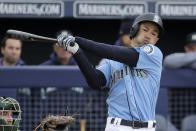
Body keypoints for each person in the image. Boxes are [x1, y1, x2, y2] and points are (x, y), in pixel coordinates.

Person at [57, 12, 164, 131]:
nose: (149, 35)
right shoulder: (111, 61)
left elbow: (114, 52)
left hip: (146, 127)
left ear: (156, 40)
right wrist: (77, 52)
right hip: (116, 126)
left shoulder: (154, 54)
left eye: (153, 34)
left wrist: (79, 41)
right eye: (145, 30)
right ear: (134, 30)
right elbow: (96, 82)